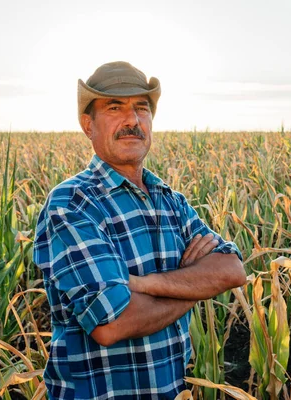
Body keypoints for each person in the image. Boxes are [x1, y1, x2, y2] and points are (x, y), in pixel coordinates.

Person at [33, 61, 246, 399]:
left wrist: (146, 286)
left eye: (141, 108)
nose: (131, 120)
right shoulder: (72, 204)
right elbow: (111, 324)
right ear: (88, 125)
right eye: (115, 108)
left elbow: (232, 269)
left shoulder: (168, 199)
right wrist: (194, 284)